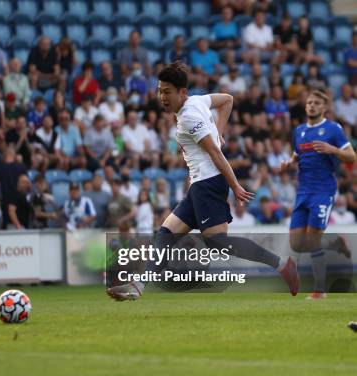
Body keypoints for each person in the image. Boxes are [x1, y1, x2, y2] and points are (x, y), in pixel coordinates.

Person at [107, 62, 300, 301]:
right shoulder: (197, 101)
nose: (162, 97)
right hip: (200, 184)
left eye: (167, 92)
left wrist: (235, 185)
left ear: (182, 92)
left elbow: (216, 153)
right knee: (166, 232)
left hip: (208, 183)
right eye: (159, 90)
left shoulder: (188, 117)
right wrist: (219, 131)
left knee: (218, 244)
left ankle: (282, 264)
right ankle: (139, 285)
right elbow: (227, 99)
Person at [280, 90, 356, 299]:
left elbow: (351, 155)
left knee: (312, 240)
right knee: (297, 243)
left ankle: (319, 290)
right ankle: (335, 243)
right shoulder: (300, 131)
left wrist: (333, 149)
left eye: (316, 103)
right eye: (309, 102)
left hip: (323, 191)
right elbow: (298, 153)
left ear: (324, 108)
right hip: (303, 191)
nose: (312, 105)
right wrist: (289, 163)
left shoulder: (333, 129)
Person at [0, 146, 27, 228]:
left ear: (4, 155)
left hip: (6, 200)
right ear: (14, 155)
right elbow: (26, 183)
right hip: (20, 200)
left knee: (6, 224)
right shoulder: (21, 167)